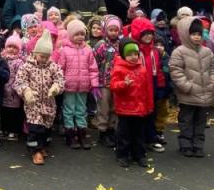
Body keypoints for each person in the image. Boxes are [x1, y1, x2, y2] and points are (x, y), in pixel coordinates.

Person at [169, 16, 214, 157]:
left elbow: (213, 69)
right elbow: (176, 71)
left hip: (205, 93)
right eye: (193, 34)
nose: (197, 37)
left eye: (199, 34)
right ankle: (185, 144)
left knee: (200, 122)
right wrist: (187, 87)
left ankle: (198, 145)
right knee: (186, 121)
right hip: (188, 95)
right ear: (186, 34)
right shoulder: (179, 52)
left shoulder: (207, 52)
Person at [13, 30, 65, 165]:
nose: (44, 59)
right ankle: (35, 150)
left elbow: (60, 79)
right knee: (36, 128)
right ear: (35, 54)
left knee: (47, 127)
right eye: (41, 56)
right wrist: (26, 91)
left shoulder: (54, 67)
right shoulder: (26, 67)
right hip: (33, 104)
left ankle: (42, 146)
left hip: (49, 103)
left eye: (47, 57)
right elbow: (19, 82)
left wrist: (56, 88)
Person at [55, 19, 99, 149]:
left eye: (82, 34)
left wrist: (94, 84)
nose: (80, 37)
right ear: (70, 35)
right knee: (69, 110)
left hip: (83, 87)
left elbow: (93, 68)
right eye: (76, 34)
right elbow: (59, 69)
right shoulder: (65, 51)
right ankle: (70, 134)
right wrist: (60, 83)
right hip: (69, 87)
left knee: (81, 110)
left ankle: (81, 134)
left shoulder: (88, 50)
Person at [130, 17, 171, 152]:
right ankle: (138, 141)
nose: (148, 36)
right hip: (137, 85)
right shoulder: (133, 50)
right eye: (144, 33)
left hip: (151, 84)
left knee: (151, 113)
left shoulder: (154, 51)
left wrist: (161, 87)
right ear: (138, 33)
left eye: (150, 33)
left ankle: (151, 139)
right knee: (138, 115)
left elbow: (158, 70)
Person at [110, 39, 153, 168]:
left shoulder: (142, 68)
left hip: (139, 108)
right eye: (129, 54)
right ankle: (123, 155)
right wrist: (124, 84)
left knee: (139, 133)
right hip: (125, 109)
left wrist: (149, 105)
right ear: (123, 55)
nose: (133, 57)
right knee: (124, 134)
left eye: (135, 54)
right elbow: (113, 85)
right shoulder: (119, 68)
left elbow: (147, 89)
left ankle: (139, 155)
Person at [93, 15, 124, 148]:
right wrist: (94, 82)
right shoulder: (100, 45)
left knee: (115, 107)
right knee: (103, 107)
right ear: (105, 30)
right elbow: (94, 63)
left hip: (117, 81)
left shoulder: (121, 44)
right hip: (103, 82)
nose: (113, 33)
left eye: (116, 30)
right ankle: (103, 132)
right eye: (110, 30)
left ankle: (112, 130)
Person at [0, 32, 26, 141]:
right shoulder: (2, 59)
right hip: (2, 90)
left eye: (14, 47)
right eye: (9, 47)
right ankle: (4, 129)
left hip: (13, 92)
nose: (11, 49)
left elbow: (20, 76)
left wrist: (14, 87)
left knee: (14, 112)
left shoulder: (19, 62)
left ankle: (14, 130)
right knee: (4, 111)